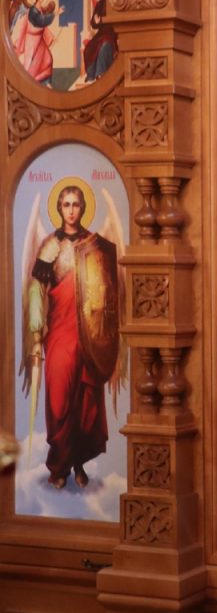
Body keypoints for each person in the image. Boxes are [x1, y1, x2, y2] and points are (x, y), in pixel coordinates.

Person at [23, 183, 119, 489]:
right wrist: (36, 331)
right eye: (66, 204)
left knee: (85, 399)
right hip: (59, 333)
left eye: (76, 204)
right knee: (59, 398)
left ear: (83, 208)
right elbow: (37, 291)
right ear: (59, 208)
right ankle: (59, 465)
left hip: (88, 336)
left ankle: (77, 465)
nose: (71, 210)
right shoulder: (50, 246)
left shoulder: (95, 246)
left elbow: (106, 293)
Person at [12, 0, 64, 86]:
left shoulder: (40, 9)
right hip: (32, 40)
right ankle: (28, 83)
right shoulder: (33, 10)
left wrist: (51, 36)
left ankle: (46, 82)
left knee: (48, 59)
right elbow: (40, 21)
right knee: (31, 64)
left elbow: (43, 27)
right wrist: (56, 13)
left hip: (39, 39)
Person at [83, 0, 116, 83]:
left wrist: (101, 20)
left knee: (104, 46)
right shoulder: (99, 4)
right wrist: (95, 21)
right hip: (101, 32)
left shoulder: (113, 1)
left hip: (112, 31)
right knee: (89, 48)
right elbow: (93, 22)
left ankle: (100, 73)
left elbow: (114, 17)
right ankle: (91, 76)